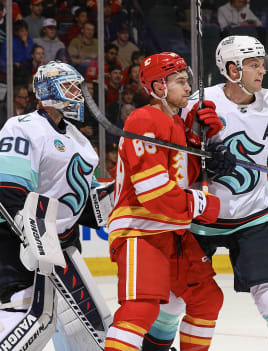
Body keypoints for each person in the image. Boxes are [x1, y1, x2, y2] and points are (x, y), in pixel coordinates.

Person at [143, 36, 268, 351]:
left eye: (261, 64)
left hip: (252, 217)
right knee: (173, 299)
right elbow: (176, 152)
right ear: (233, 70)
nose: (263, 70)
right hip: (200, 218)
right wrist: (205, 158)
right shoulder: (197, 103)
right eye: (254, 65)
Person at [0, 61, 111, 351]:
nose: (79, 95)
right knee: (29, 312)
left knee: (86, 327)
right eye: (71, 87)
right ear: (49, 90)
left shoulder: (81, 142)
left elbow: (81, 204)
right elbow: (5, 187)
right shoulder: (23, 127)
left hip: (61, 244)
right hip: (11, 236)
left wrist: (113, 201)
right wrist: (29, 228)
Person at [105, 52, 234, 351]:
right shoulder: (144, 119)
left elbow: (180, 177)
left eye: (187, 80)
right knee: (141, 308)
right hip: (141, 229)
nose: (188, 88)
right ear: (160, 87)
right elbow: (153, 192)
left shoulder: (175, 125)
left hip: (173, 230)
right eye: (179, 81)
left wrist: (205, 144)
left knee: (206, 299)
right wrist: (203, 205)